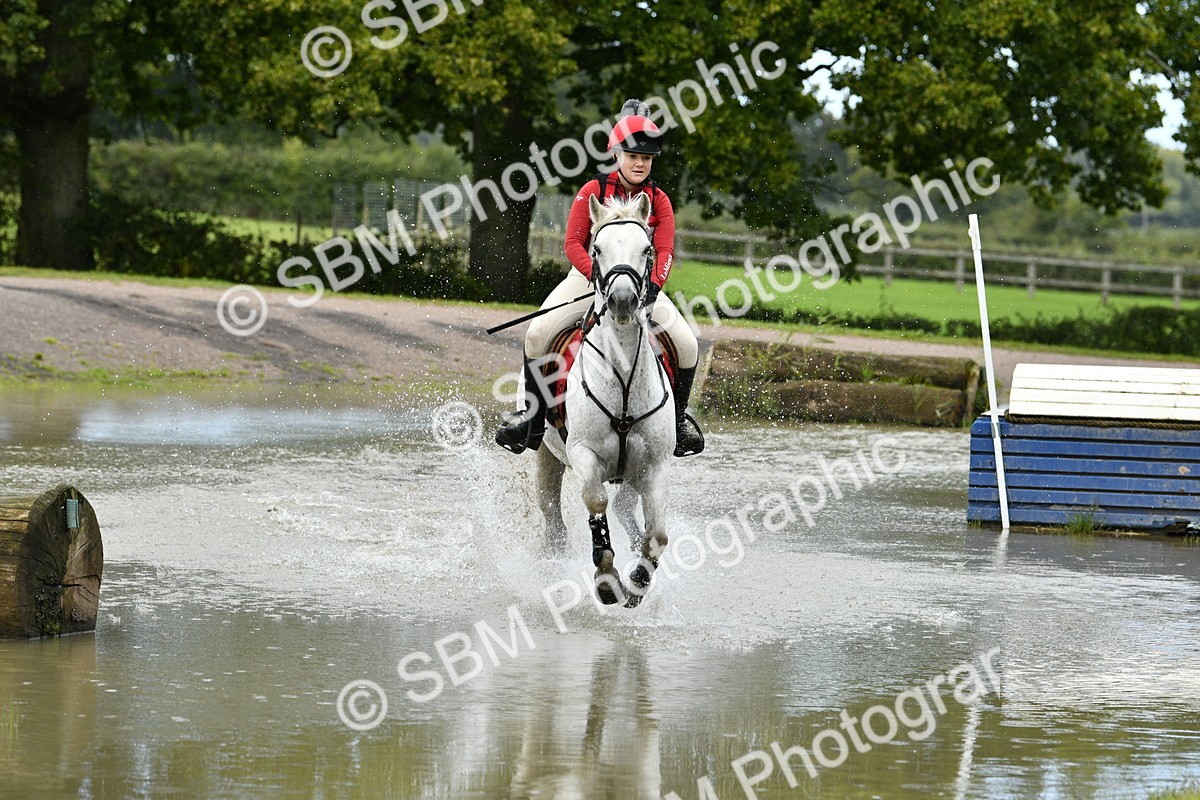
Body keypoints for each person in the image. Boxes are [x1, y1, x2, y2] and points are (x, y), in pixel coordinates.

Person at [495, 99, 705, 458]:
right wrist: (598, 278)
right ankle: (531, 421)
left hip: (642, 286)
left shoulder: (659, 200)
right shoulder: (592, 190)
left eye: (647, 159)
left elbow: (666, 252)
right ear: (617, 155)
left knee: (687, 345)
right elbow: (573, 243)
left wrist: (653, 287)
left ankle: (679, 422)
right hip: (588, 279)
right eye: (632, 156)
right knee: (536, 334)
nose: (640, 164)